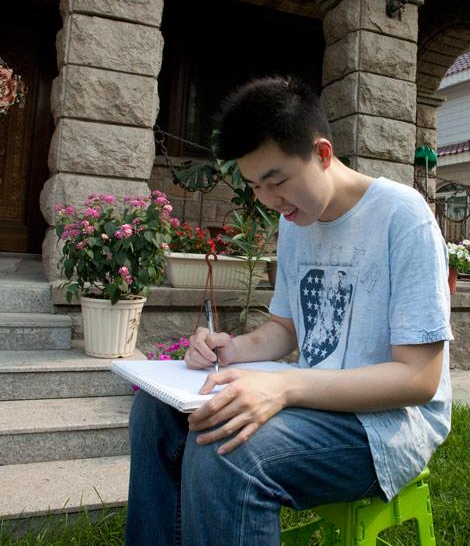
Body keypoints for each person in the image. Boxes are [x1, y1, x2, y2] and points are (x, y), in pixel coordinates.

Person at [125, 76, 453, 546]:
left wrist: (284, 384)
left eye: (276, 181)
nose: (268, 200)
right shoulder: (296, 220)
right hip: (316, 398)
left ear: (322, 154)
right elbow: (286, 328)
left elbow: (419, 379)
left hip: (384, 427)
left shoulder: (403, 217)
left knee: (227, 450)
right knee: (154, 410)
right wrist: (228, 350)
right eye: (255, 185)